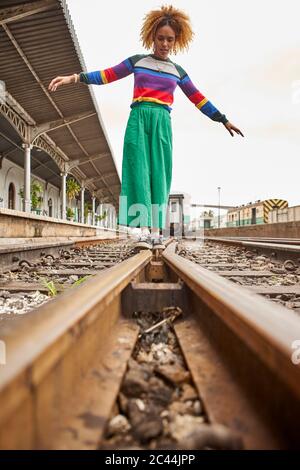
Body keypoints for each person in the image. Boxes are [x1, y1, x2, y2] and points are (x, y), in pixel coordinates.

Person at [49, 5, 243, 248]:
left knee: (159, 174)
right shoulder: (137, 61)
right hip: (138, 117)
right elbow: (108, 74)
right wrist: (76, 78)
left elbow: (198, 98)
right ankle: (143, 230)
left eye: (169, 40)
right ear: (152, 36)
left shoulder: (178, 72)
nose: (164, 43)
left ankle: (156, 231)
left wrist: (222, 118)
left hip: (162, 120)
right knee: (138, 171)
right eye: (160, 38)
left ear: (176, 41)